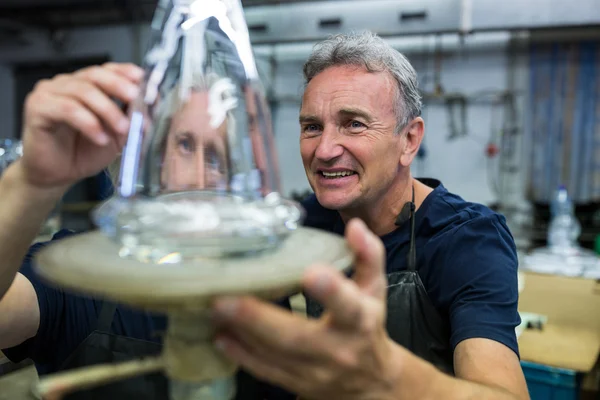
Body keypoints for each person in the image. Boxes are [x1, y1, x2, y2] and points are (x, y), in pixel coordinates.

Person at [0, 31, 529, 400]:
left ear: (409, 139)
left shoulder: (461, 240)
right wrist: (31, 181)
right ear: (137, 161)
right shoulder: (81, 275)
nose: (326, 150)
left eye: (226, 159)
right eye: (312, 127)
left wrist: (386, 378)